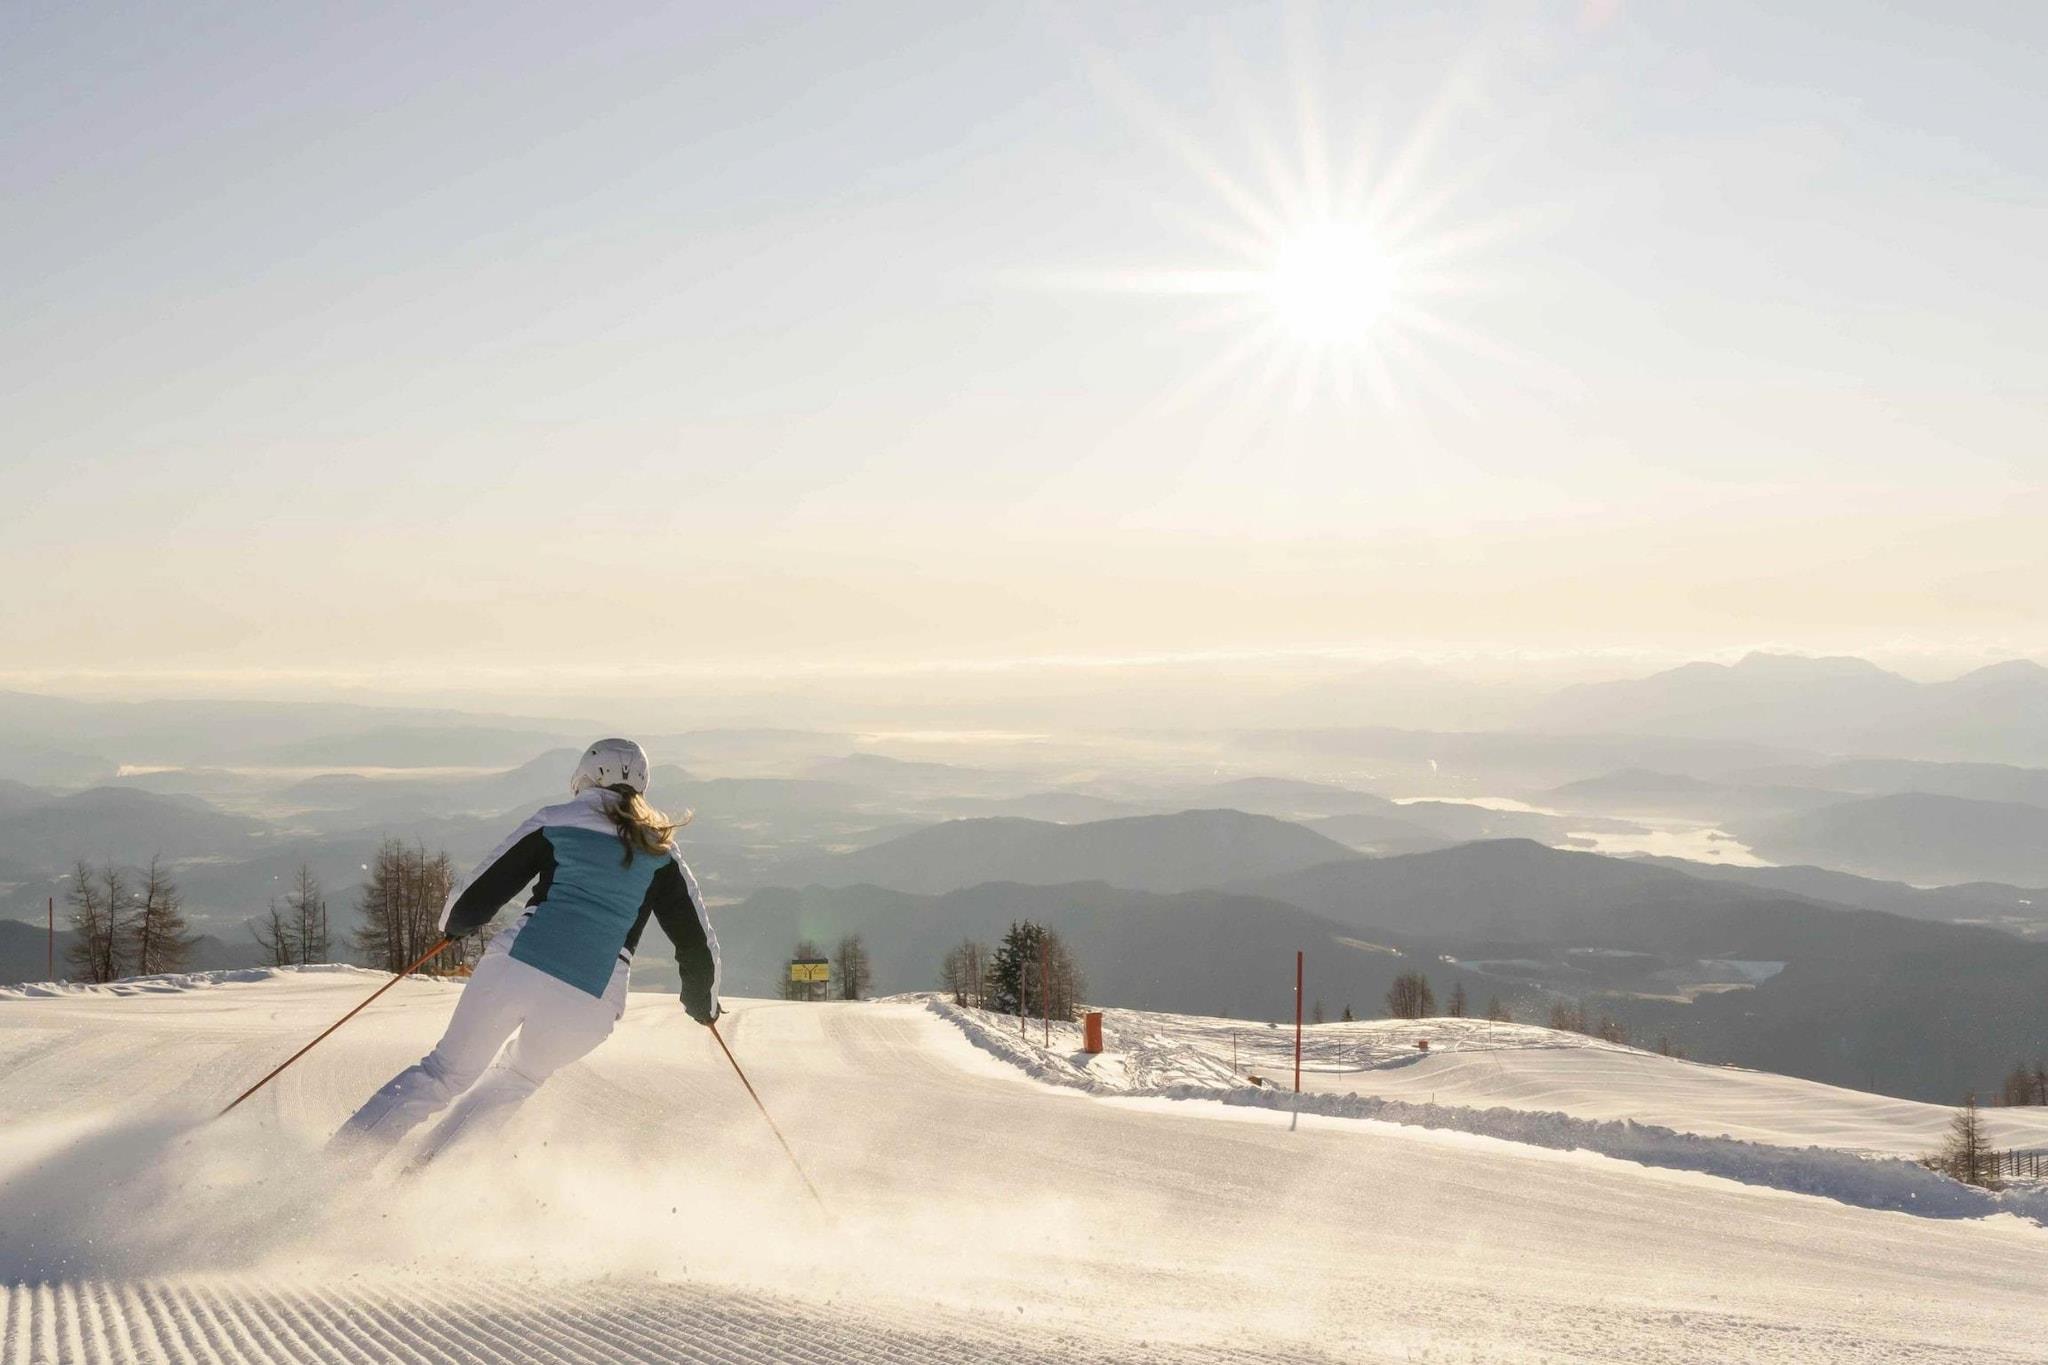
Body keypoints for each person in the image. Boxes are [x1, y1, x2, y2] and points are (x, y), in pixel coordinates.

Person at [333, 738, 720, 1164]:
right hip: (592, 999)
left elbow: (478, 894)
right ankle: (418, 1176)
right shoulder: (661, 851)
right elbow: (696, 943)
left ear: (583, 777)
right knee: (514, 1081)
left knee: (443, 1074)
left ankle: (338, 1166)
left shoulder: (556, 821)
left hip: (518, 968)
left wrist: (454, 928)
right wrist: (702, 1004)